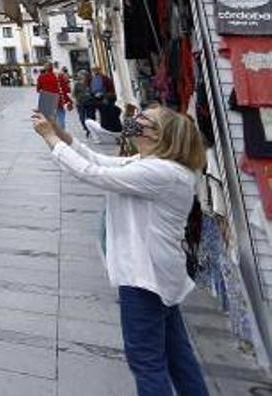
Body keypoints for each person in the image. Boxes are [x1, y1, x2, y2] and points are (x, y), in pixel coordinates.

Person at [32, 106, 210, 395]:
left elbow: (91, 173)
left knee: (147, 362)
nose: (135, 120)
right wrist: (61, 135)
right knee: (178, 357)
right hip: (160, 275)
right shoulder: (153, 164)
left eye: (144, 119)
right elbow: (99, 160)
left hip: (145, 278)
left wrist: (50, 139)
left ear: (159, 135)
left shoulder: (161, 172)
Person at [74, 70, 97, 136]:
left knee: (91, 116)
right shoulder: (77, 84)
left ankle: (92, 128)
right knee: (82, 117)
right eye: (81, 75)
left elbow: (94, 92)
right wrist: (77, 101)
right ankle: (86, 128)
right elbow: (75, 94)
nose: (83, 77)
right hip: (80, 103)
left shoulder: (90, 83)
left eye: (84, 75)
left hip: (90, 102)